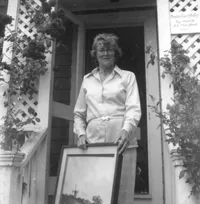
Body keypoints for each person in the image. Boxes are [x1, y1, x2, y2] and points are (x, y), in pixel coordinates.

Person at [73, 33, 141, 154]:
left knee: (123, 173)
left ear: (115, 53)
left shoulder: (128, 77)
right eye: (102, 50)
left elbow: (133, 108)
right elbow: (79, 114)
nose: (106, 53)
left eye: (110, 50)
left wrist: (126, 131)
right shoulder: (87, 80)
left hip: (121, 138)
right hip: (92, 140)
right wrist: (81, 134)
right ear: (95, 54)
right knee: (96, 173)